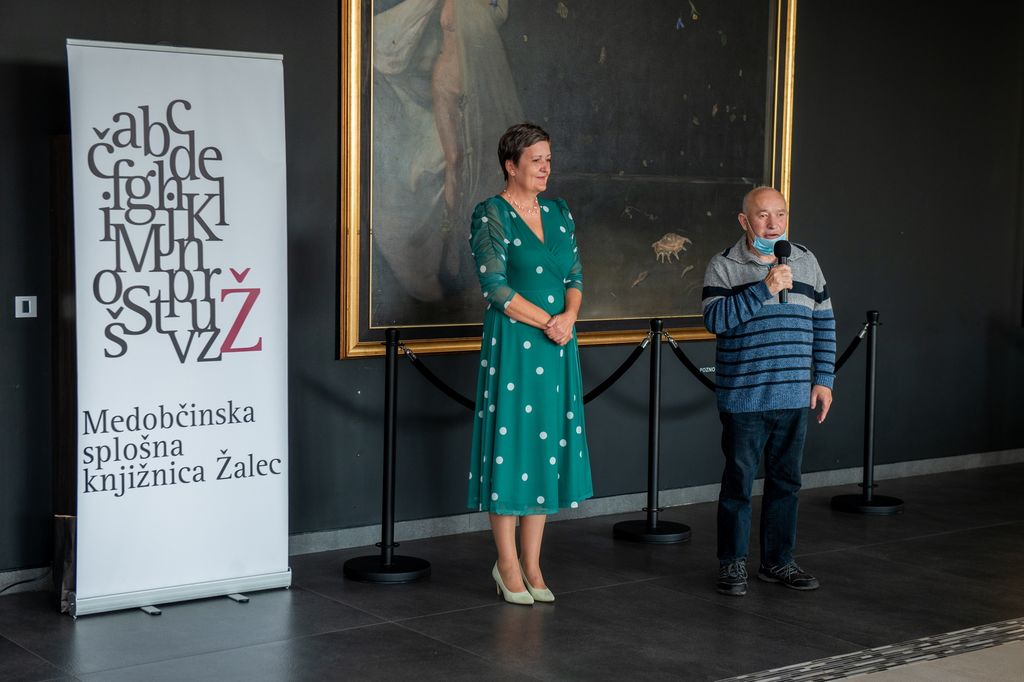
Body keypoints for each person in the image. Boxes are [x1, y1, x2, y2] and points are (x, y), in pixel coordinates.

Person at [467, 123, 593, 605]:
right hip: (517, 344)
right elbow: (495, 287)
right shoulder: (491, 213)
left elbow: (575, 275)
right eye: (536, 160)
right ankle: (506, 564)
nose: (546, 168)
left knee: (544, 448)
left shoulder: (559, 212)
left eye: (548, 159)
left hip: (557, 343)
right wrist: (549, 322)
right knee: (512, 447)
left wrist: (569, 318)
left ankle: (534, 563)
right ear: (511, 165)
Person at [701, 186, 836, 597]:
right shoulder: (723, 265)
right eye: (763, 215)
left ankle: (778, 561)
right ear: (745, 221)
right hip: (744, 396)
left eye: (780, 214)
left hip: (793, 395)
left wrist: (824, 380)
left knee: (786, 483)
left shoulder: (806, 261)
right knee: (738, 485)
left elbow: (824, 322)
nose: (773, 223)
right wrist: (764, 286)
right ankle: (732, 564)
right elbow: (715, 321)